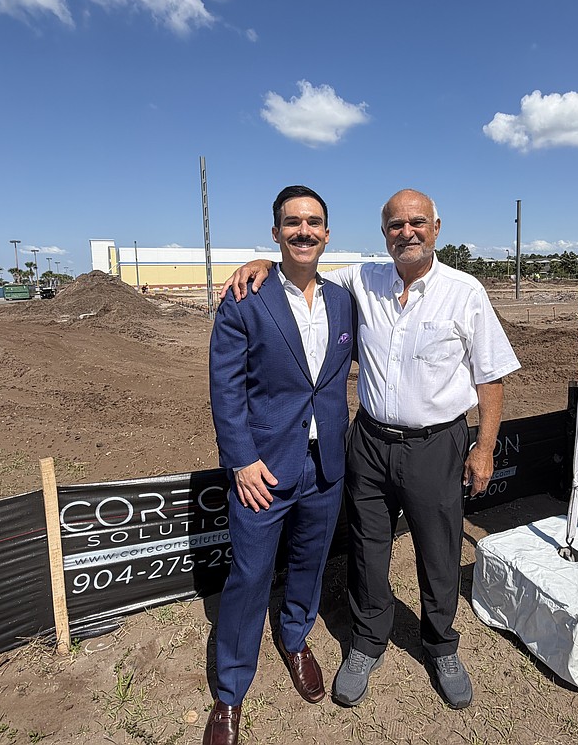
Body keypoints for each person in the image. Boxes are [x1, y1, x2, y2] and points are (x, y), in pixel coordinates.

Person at [223, 188, 520, 710]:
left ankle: (441, 645)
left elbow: (490, 375)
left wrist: (484, 446)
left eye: (417, 222)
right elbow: (301, 269)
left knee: (439, 550)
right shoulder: (362, 281)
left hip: (436, 444)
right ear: (384, 234)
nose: (407, 232)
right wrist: (263, 264)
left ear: (436, 228)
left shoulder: (464, 291)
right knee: (367, 548)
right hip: (370, 442)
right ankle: (366, 641)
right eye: (395, 225)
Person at [204, 185, 357, 745]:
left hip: (325, 463)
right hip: (263, 468)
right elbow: (226, 388)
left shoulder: (344, 300)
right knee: (249, 576)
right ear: (275, 233)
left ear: (327, 233)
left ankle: (295, 638)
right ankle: (229, 692)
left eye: (313, 222)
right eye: (292, 223)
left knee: (310, 561)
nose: (303, 231)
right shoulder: (246, 298)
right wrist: (241, 461)